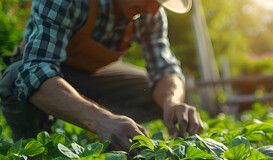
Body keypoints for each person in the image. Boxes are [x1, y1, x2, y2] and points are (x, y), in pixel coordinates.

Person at [0, 0, 204, 151]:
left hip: (91, 78)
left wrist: (171, 102)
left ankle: (113, 134)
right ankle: (31, 146)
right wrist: (101, 120)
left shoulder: (150, 14)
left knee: (153, 92)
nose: (154, 9)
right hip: (44, 75)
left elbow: (164, 68)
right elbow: (36, 68)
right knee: (16, 77)